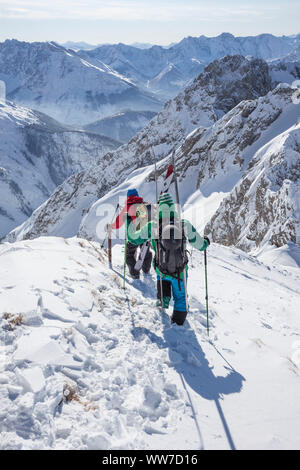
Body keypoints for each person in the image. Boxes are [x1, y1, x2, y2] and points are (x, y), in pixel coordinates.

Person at [125, 192, 210, 325]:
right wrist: (205, 242)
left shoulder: (153, 226)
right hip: (180, 271)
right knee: (181, 297)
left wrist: (129, 220)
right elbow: (200, 245)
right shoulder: (183, 224)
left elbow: (132, 238)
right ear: (173, 208)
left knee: (162, 282)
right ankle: (178, 324)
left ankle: (163, 300)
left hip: (161, 269)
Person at [112, 189, 153, 279]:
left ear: (128, 197)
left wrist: (111, 227)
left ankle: (135, 274)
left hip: (133, 238)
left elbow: (117, 224)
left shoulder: (126, 208)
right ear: (137, 195)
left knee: (129, 254)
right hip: (144, 235)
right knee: (146, 252)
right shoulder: (144, 205)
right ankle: (146, 270)